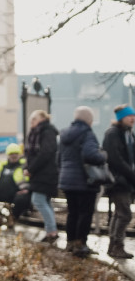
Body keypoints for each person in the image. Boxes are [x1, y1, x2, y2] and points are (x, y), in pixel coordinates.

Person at [58, 105, 107, 258]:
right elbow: (90, 154)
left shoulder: (64, 134)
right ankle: (81, 245)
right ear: (89, 120)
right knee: (85, 213)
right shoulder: (87, 134)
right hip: (85, 181)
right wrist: (104, 157)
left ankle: (70, 242)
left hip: (67, 180)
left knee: (72, 213)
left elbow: (58, 158)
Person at [102, 105, 135, 259]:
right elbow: (116, 159)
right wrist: (130, 174)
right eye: (129, 116)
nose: (132, 118)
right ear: (121, 117)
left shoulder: (128, 133)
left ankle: (113, 246)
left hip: (126, 180)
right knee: (125, 214)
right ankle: (117, 245)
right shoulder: (113, 134)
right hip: (118, 180)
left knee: (119, 213)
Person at [25, 109, 60, 244]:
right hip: (40, 173)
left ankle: (52, 232)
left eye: (34, 119)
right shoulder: (37, 133)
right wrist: (28, 168)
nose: (31, 122)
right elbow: (30, 155)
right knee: (45, 201)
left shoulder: (47, 132)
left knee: (38, 200)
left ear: (42, 119)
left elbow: (46, 153)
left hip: (45, 173)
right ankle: (51, 231)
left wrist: (31, 169)